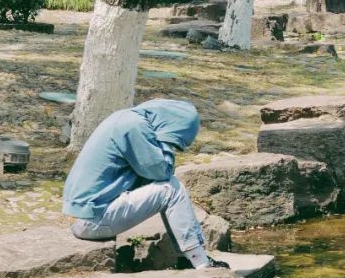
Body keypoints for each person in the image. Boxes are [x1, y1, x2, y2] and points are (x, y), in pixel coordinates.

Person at [63, 99, 225, 269]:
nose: (175, 147)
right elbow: (162, 172)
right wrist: (165, 142)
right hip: (92, 221)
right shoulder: (134, 126)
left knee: (167, 187)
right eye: (176, 141)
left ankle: (190, 258)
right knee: (171, 189)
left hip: (83, 215)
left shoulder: (123, 118)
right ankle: (200, 263)